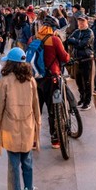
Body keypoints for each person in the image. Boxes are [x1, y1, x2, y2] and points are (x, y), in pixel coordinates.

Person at [0, 48, 41, 190]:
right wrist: (37, 124)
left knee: (13, 164)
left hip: (10, 128)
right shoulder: (31, 81)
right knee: (27, 161)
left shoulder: (4, 82)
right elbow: (36, 105)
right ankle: (28, 187)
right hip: (28, 126)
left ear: (10, 63)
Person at [34, 16, 70, 149]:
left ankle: (33, 140)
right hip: (52, 79)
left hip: (36, 79)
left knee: (35, 109)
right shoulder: (54, 40)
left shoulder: (33, 39)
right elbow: (64, 57)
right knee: (53, 109)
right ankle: (55, 139)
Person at [66, 14, 95, 110]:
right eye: (79, 21)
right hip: (77, 60)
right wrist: (76, 41)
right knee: (78, 80)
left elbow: (83, 44)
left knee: (87, 81)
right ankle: (82, 98)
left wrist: (75, 41)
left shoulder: (89, 32)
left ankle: (87, 101)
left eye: (82, 21)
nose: (80, 23)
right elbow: (68, 40)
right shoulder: (77, 31)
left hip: (86, 59)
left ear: (86, 22)